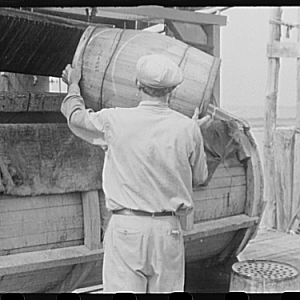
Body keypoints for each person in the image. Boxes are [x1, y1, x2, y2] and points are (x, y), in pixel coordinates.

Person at [61, 54, 209, 293]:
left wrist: (73, 85)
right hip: (167, 231)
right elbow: (200, 177)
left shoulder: (115, 120)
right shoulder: (188, 128)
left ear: (138, 85)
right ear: (172, 90)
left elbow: (76, 118)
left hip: (127, 228)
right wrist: (193, 133)